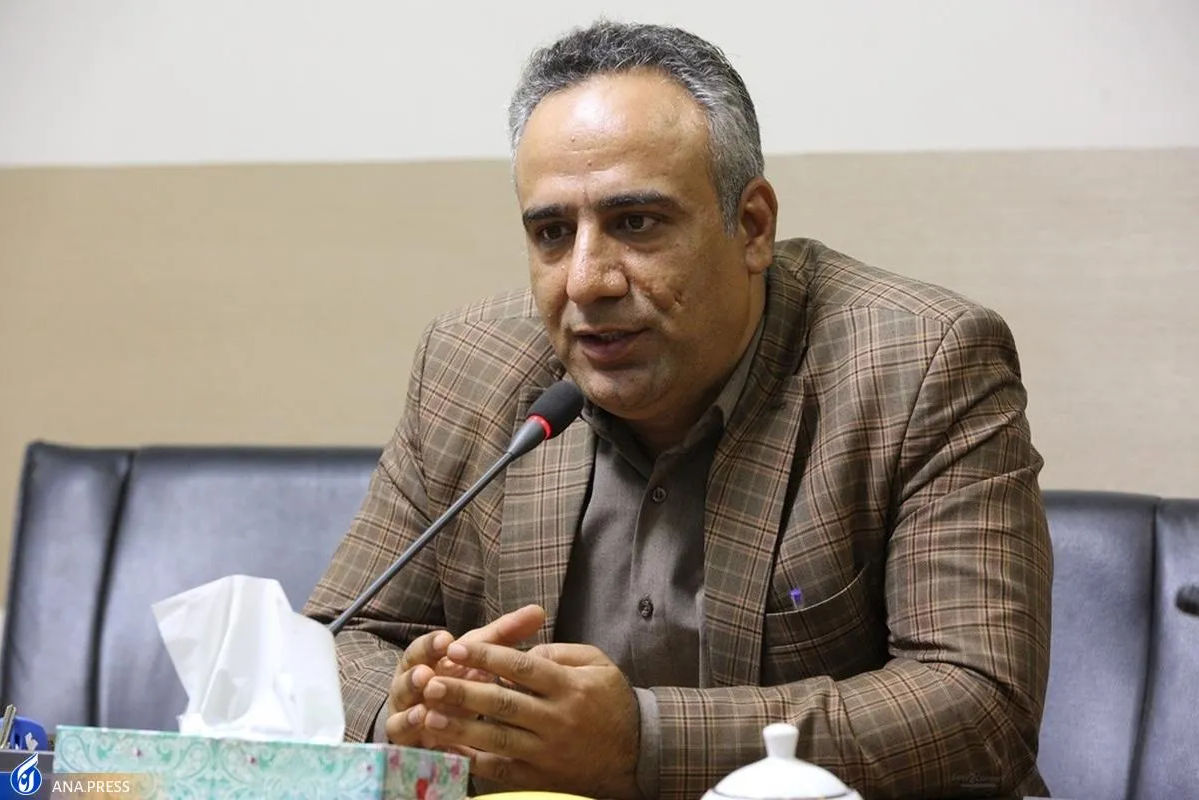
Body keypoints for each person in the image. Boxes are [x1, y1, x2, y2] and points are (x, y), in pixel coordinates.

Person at [303, 20, 1053, 800]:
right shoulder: (471, 366)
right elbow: (332, 643)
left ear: (752, 226)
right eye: (552, 233)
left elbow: (980, 705)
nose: (587, 280)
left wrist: (641, 743)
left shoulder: (922, 361)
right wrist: (411, 713)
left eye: (636, 223)